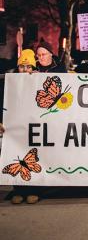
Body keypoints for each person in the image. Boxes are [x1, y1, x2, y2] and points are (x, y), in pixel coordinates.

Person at [10, 50, 40, 204]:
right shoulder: (9, 82)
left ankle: (33, 190)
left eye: (29, 66)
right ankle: (18, 190)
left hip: (33, 125)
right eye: (22, 66)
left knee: (32, 157)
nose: (25, 69)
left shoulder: (38, 80)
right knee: (16, 156)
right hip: (14, 126)